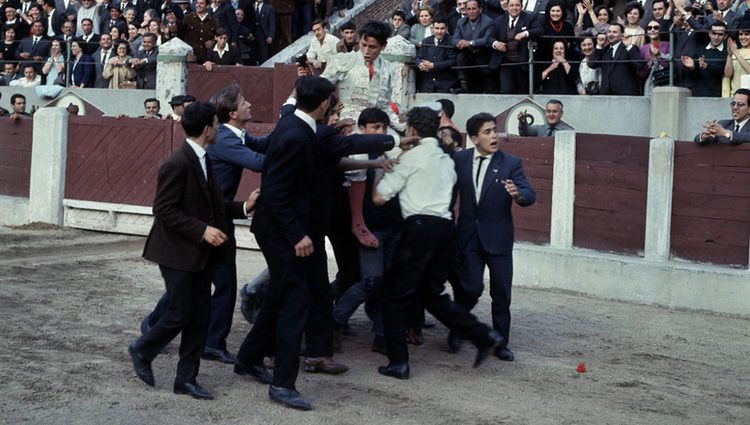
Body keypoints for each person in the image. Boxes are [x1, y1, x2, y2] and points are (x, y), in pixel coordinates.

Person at [127, 101, 255, 401]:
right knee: (181, 312)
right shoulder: (178, 163)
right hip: (175, 252)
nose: (219, 129)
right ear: (208, 129)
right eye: (217, 124)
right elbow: (164, 210)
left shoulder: (202, 158)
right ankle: (142, 348)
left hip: (196, 252)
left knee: (199, 316)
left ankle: (186, 380)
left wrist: (246, 207)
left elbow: (212, 205)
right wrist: (202, 230)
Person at [373, 107, 504, 380]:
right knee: (433, 295)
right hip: (445, 230)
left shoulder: (411, 158)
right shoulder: (447, 160)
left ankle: (399, 362)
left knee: (394, 296)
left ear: (412, 130)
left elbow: (379, 198)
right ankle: (483, 335)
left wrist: (387, 167)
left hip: (418, 230)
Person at [141, 85, 268, 364]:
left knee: (202, 283)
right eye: (244, 101)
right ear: (231, 113)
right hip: (208, 222)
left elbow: (261, 146)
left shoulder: (229, 135)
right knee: (211, 283)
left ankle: (173, 332)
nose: (250, 104)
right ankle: (197, 339)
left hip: (218, 216)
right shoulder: (222, 138)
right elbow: (259, 161)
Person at [234, 76, 336, 411]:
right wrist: (297, 235)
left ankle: (248, 358)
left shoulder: (293, 122)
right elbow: (275, 193)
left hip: (280, 225)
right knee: (296, 301)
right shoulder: (295, 132)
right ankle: (282, 384)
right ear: (323, 104)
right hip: (280, 229)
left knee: (280, 294)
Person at [451, 112, 535, 362]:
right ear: (474, 138)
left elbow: (529, 195)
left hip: (498, 237)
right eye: (487, 132)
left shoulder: (510, 162)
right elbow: (447, 194)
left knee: (501, 293)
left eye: (494, 130)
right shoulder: (460, 159)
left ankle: (501, 343)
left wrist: (518, 194)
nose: (493, 136)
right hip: (468, 236)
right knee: (470, 288)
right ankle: (458, 329)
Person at [489, 0, 542, 95]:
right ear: (507, 7)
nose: (514, 8)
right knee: (507, 91)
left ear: (522, 6)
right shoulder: (499, 20)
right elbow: (489, 37)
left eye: (517, 5)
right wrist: (496, 44)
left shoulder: (530, 18)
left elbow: (539, 30)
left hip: (523, 62)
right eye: (512, 5)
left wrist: (525, 34)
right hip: (505, 63)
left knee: (524, 93)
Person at [588, 23, 644, 96]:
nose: (611, 34)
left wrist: (629, 46)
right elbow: (592, 64)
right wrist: (599, 46)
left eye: (615, 32)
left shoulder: (629, 48)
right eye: (609, 32)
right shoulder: (605, 50)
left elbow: (640, 64)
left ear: (621, 35)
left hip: (626, 95)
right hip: (607, 95)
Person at [452, 0, 495, 94]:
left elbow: (487, 39)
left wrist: (470, 43)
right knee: (460, 57)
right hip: (468, 57)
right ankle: (463, 86)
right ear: (466, 11)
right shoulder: (461, 21)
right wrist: (460, 42)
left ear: (480, 9)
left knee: (489, 90)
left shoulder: (488, 21)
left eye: (474, 9)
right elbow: (454, 39)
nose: (471, 11)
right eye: (469, 9)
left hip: (484, 58)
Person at [681, 21, 728, 97]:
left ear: (725, 36)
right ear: (709, 33)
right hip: (699, 94)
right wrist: (692, 66)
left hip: (719, 96)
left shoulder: (727, 51)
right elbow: (694, 72)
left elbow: (724, 71)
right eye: (714, 33)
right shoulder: (700, 49)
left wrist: (706, 66)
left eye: (720, 34)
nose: (716, 37)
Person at [415, 17, 458, 93]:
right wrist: (421, 65)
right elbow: (418, 57)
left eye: (442, 28)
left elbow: (453, 61)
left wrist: (433, 65)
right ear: (432, 29)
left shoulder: (451, 41)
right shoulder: (426, 41)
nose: (439, 31)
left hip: (446, 85)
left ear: (446, 28)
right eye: (437, 28)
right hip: (427, 85)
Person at [638, 20, 670, 96]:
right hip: (650, 84)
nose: (652, 29)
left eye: (656, 28)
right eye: (649, 28)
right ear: (647, 31)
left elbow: (669, 66)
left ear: (660, 30)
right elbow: (641, 73)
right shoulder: (643, 48)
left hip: (665, 81)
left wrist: (659, 55)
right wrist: (650, 62)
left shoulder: (668, 45)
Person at [723, 25, 750, 97]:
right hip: (735, 96)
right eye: (740, 34)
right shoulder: (735, 51)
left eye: (746, 34)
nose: (743, 37)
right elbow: (727, 75)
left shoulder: (736, 52)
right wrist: (729, 55)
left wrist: (735, 53)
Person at [251, 0, 276, 64]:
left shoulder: (269, 8)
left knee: (264, 55)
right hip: (251, 34)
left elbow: (272, 24)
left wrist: (270, 36)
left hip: (263, 35)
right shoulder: (250, 6)